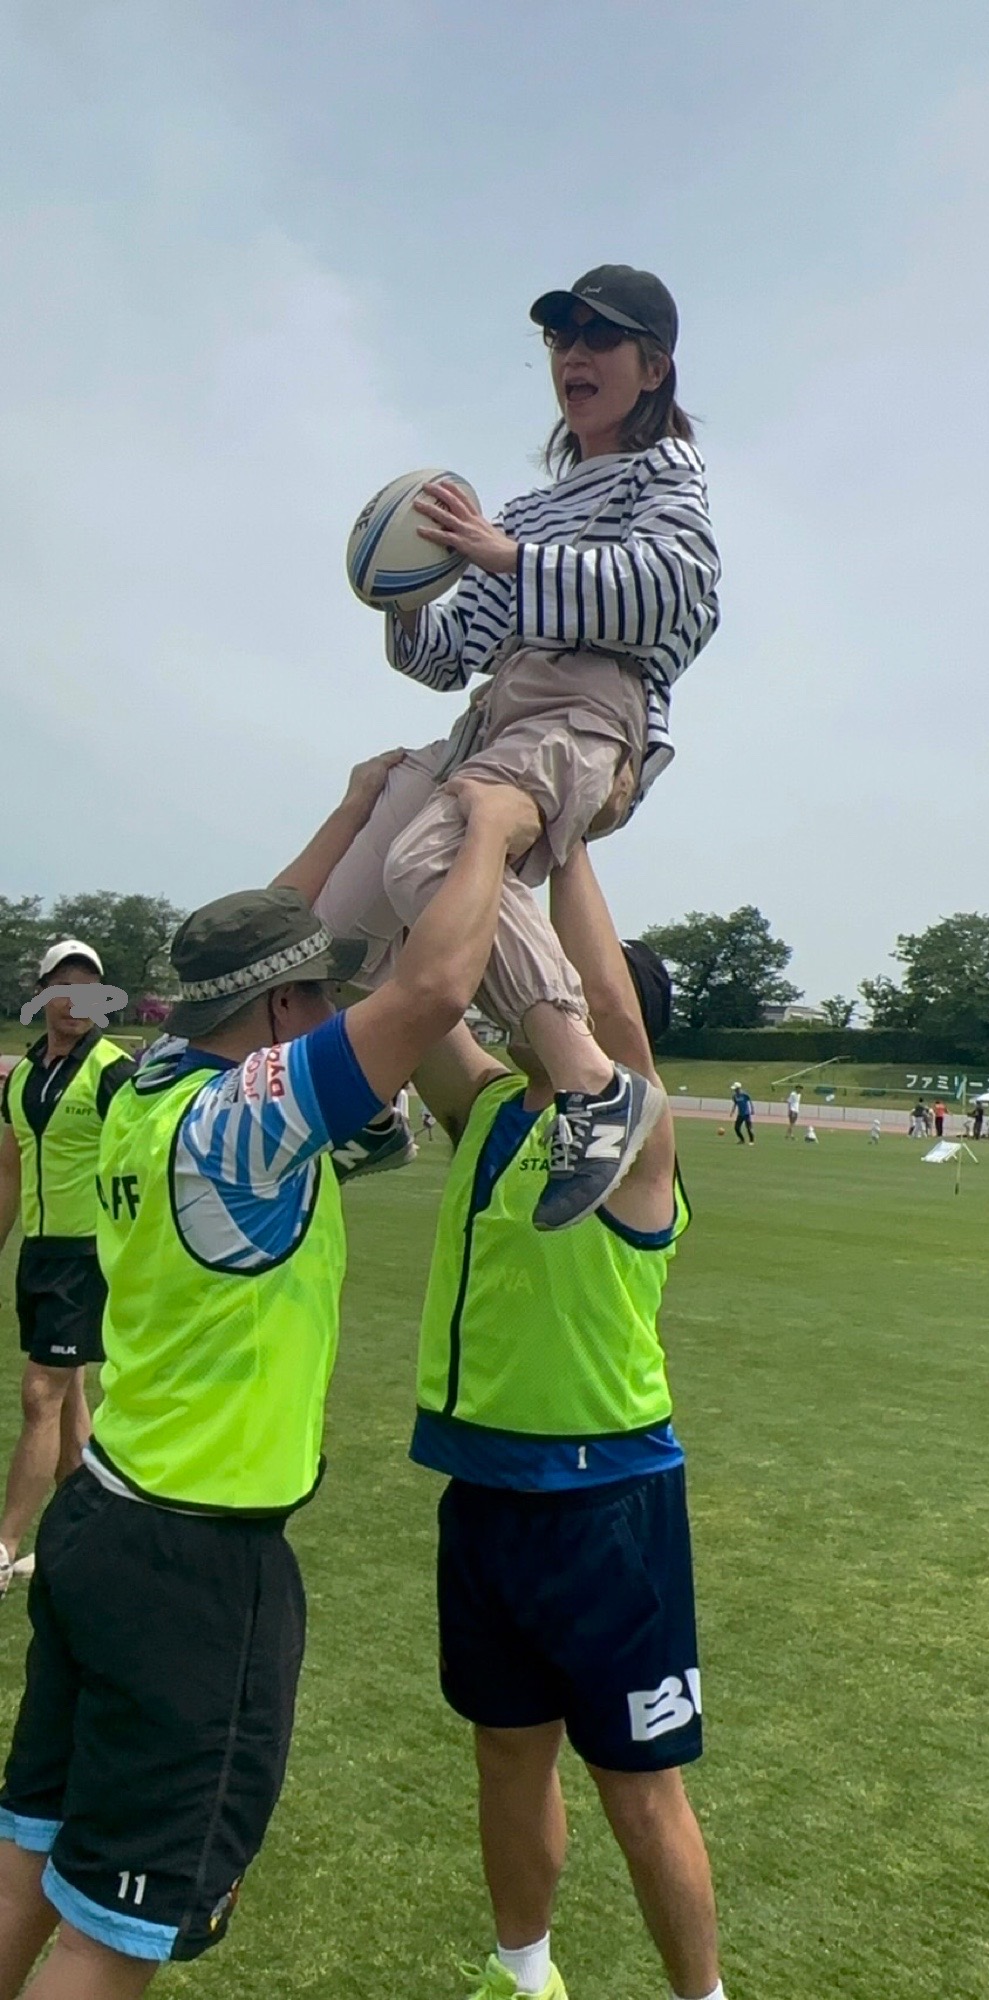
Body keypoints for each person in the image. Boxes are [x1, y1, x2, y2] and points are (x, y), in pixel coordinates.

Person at [0, 758, 540, 1998]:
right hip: (196, 1564)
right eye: (318, 995)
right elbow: (433, 988)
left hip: (103, 1514)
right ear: (285, 1007)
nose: (333, 1010)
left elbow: (245, 956)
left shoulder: (149, 1082)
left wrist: (355, 813)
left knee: (29, 1849)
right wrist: (495, 829)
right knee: (110, 1931)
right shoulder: (240, 1121)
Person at [316, 265, 721, 1232]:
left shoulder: (668, 472)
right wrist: (401, 592)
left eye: (600, 337)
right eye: (560, 338)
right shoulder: (526, 510)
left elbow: (672, 590)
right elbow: (450, 654)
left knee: (433, 862)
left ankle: (592, 1080)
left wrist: (507, 556)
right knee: (329, 932)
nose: (573, 354)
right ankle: (364, 1109)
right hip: (494, 716)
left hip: (588, 709)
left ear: (653, 367)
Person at [408, 844, 724, 2000]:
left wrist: (571, 843)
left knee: (637, 1784)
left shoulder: (636, 1130)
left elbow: (619, 1030)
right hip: (486, 1490)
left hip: (607, 1505)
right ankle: (523, 1974)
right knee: (506, 1748)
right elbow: (420, 985)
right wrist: (452, 843)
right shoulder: (491, 1106)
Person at [0, 942, 134, 1598]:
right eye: (66, 987)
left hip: (89, 1257)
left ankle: (4, 1546)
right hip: (40, 1254)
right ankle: (81, 1536)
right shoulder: (23, 1076)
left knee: (41, 1394)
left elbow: (144, 1163)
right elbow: (8, 1169)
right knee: (69, 1394)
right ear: (43, 993)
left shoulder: (114, 1073)